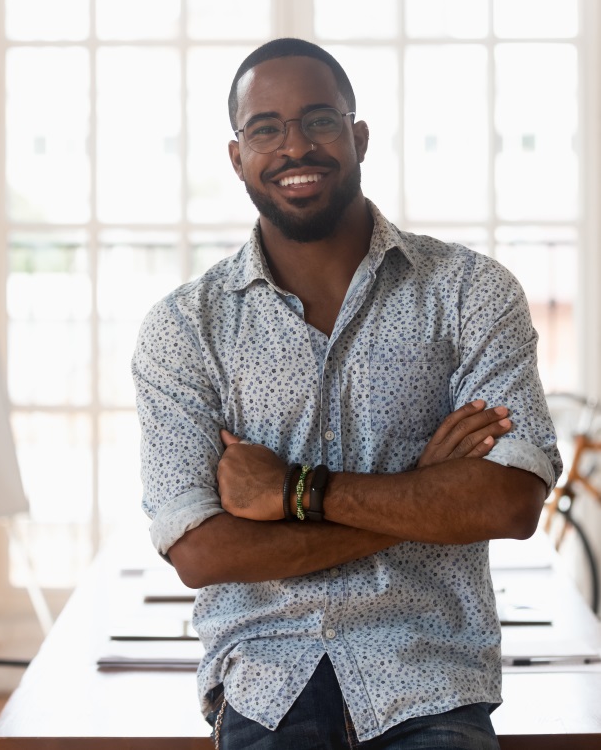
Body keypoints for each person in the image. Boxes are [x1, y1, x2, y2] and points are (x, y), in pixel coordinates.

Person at [132, 37, 561, 749]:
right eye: (265, 128)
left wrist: (296, 492)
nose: (295, 145)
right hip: (267, 683)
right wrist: (426, 492)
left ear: (357, 136)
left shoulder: (468, 293)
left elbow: (509, 502)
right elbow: (201, 551)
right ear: (237, 156)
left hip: (431, 683)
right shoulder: (185, 328)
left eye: (319, 120)